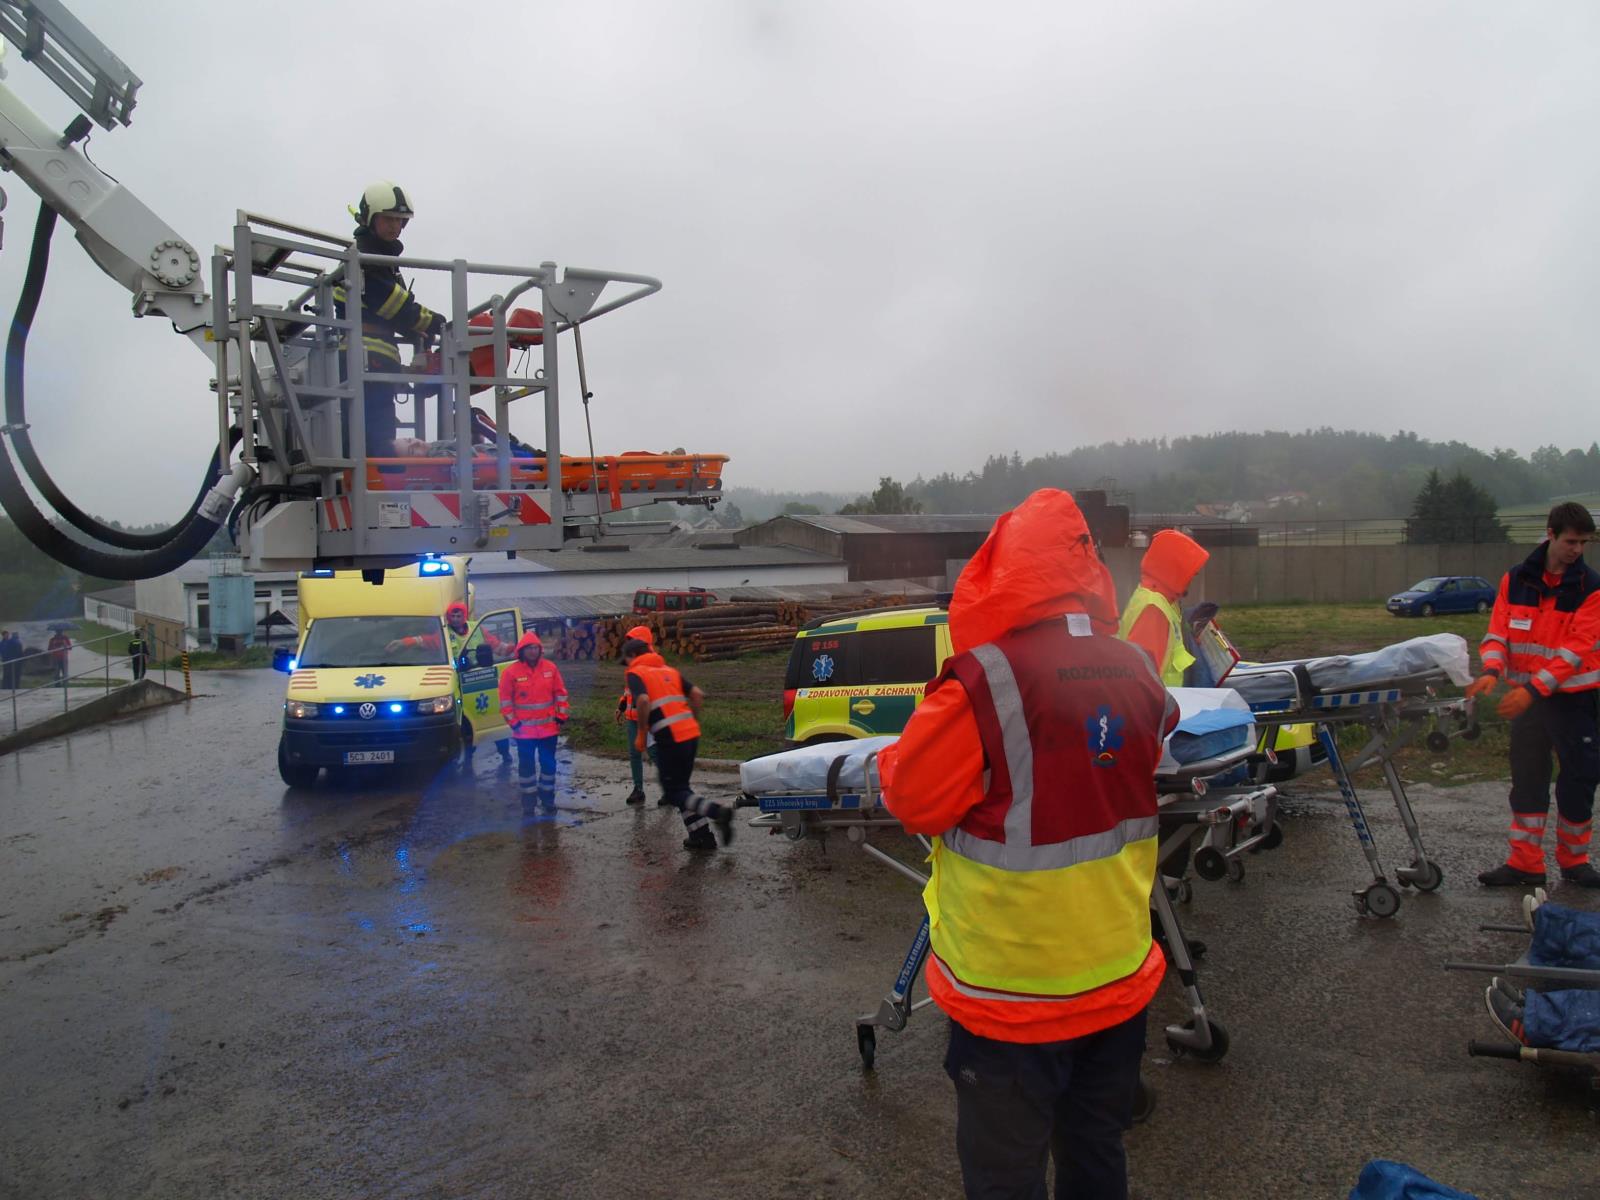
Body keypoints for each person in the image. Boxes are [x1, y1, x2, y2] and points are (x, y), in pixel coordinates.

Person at [876, 489, 1178, 1200]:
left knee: (1005, 1177)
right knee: (1096, 1154)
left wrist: (900, 751)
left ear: (1000, 570)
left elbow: (912, 797)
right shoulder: (1137, 668)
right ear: (1088, 568)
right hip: (1117, 981)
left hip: (1012, 998)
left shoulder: (984, 681)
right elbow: (1144, 745)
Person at [1469, 501, 1600, 889]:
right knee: (1527, 778)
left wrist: (1531, 690)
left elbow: (1574, 652)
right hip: (1527, 700)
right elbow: (1498, 634)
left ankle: (1575, 862)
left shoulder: (1591, 588)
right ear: (1550, 534)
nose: (1577, 549)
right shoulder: (1515, 580)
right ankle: (1525, 863)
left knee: (1579, 779)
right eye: (1571, 541)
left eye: (1584, 543)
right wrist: (1491, 671)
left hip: (1574, 699)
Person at [334, 182, 446, 458]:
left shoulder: (375, 257)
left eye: (400, 220)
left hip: (371, 360)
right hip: (366, 359)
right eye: (388, 219)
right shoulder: (366, 259)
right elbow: (394, 305)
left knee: (372, 434)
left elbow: (390, 311)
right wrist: (436, 323)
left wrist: (415, 332)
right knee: (375, 439)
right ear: (371, 218)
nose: (395, 226)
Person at [622, 637, 735, 851]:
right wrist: (691, 722)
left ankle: (718, 812)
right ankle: (701, 836)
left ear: (633, 656)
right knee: (682, 789)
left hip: (670, 739)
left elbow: (643, 701)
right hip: (690, 735)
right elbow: (697, 694)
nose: (626, 665)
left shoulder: (635, 672)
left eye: (626, 660)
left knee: (674, 793)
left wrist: (642, 734)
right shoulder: (669, 670)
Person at [1117, 528, 1209, 684]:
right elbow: (1143, 680)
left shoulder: (1161, 599)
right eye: (1189, 574)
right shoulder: (1154, 610)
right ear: (1175, 570)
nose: (1191, 580)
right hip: (1163, 699)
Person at [498, 632, 570, 809]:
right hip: (524, 733)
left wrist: (561, 716)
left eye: (535, 648)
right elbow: (505, 702)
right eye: (529, 648)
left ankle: (547, 799)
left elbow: (561, 694)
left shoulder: (550, 668)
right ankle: (528, 802)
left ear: (540, 649)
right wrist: (514, 724)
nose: (533, 651)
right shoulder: (510, 673)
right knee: (526, 768)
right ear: (521, 651)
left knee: (548, 766)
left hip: (548, 730)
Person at [614, 624, 661, 806]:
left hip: (649, 717)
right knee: (634, 753)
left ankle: (671, 788)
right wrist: (621, 706)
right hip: (632, 717)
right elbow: (629, 690)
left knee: (654, 753)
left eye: (633, 641)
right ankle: (638, 789)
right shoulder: (632, 664)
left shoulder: (654, 663)